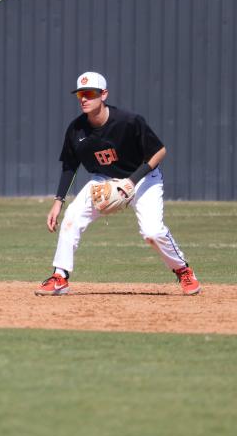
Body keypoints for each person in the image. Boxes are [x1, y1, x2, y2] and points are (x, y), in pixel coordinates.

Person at [35, 71, 201, 296]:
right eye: (80, 94)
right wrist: (58, 202)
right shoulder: (76, 130)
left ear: (103, 94)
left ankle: (183, 270)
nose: (84, 98)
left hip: (143, 178)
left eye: (90, 93)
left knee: (152, 232)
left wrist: (132, 181)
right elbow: (69, 165)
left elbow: (159, 151)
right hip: (104, 179)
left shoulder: (128, 121)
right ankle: (60, 276)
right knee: (72, 217)